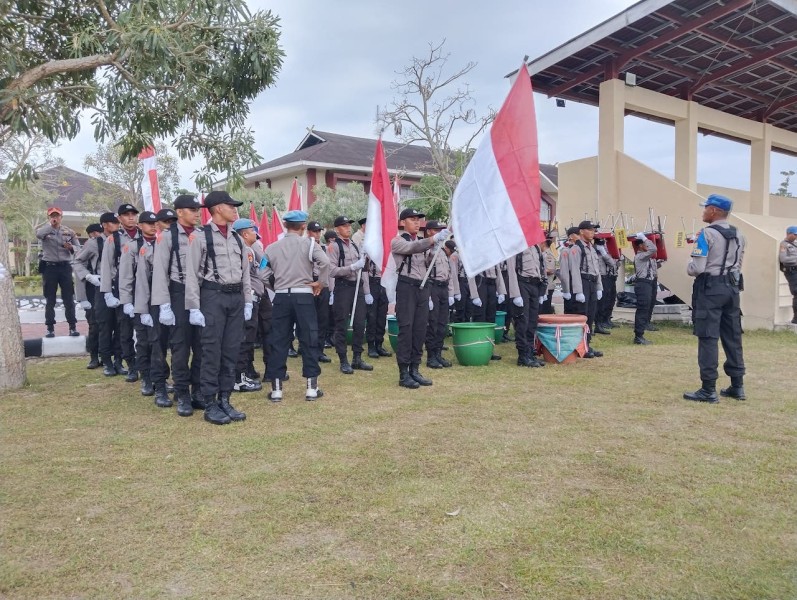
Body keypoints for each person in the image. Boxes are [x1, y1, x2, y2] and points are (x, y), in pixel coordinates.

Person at [185, 190, 251, 425]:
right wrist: (193, 307)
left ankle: (225, 399)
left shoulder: (237, 238)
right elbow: (192, 275)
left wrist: (248, 301)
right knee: (211, 352)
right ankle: (210, 403)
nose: (234, 209)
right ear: (216, 209)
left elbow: (245, 274)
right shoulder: (200, 237)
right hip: (212, 296)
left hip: (235, 299)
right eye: (230, 205)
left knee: (231, 350)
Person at [683, 194, 746, 403]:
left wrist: (688, 265)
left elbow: (698, 268)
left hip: (710, 288)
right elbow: (739, 264)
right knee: (732, 336)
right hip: (732, 287)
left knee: (708, 336)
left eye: (706, 208)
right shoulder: (739, 234)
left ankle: (708, 388)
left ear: (714, 211)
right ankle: (737, 386)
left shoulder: (707, 234)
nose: (703, 211)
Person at [261, 210, 330, 401]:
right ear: (303, 226)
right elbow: (325, 262)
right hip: (304, 296)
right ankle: (311, 388)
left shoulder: (271, 247)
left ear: (285, 225)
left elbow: (262, 274)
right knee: (309, 339)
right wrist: (320, 283)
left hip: (282, 298)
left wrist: (277, 287)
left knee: (279, 341)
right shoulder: (310, 244)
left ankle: (276, 390)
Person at [152, 195, 204, 417]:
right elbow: (160, 273)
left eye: (197, 209)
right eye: (191, 209)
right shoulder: (167, 236)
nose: (196, 213)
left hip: (203, 293)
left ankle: (199, 389)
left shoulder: (202, 235)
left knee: (202, 345)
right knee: (181, 346)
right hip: (178, 292)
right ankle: (182, 392)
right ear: (179, 212)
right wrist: (164, 304)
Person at [391, 208, 449, 388]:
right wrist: (432, 240)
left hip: (423, 287)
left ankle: (415, 369)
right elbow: (411, 248)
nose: (417, 223)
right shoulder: (398, 241)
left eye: (419, 220)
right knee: (406, 330)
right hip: (406, 287)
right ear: (403, 222)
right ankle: (403, 373)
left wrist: (436, 248)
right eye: (412, 219)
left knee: (420, 330)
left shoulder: (424, 243)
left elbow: (427, 262)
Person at [128, 211, 172, 406]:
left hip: (173, 300)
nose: (154, 226)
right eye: (149, 223)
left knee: (173, 345)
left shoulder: (171, 244)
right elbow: (136, 280)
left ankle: (165, 378)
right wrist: (137, 307)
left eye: (156, 223)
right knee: (151, 344)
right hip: (149, 301)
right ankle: (150, 379)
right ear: (140, 225)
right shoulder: (142, 249)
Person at [99, 203, 141, 380]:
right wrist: (107, 292)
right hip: (122, 288)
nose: (131, 217)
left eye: (133, 214)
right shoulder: (113, 239)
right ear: (120, 218)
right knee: (125, 330)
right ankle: (131, 364)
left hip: (143, 287)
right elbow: (106, 267)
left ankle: (145, 365)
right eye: (126, 215)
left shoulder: (146, 234)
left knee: (146, 331)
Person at [327, 215, 372, 374]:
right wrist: (352, 267)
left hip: (357, 288)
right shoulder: (333, 247)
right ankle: (343, 360)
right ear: (337, 229)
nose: (348, 228)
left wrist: (366, 291)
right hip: (343, 287)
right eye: (344, 226)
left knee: (360, 323)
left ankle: (357, 358)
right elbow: (332, 271)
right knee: (341, 325)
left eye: (349, 225)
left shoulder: (354, 244)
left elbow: (363, 270)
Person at [230, 218, 264, 393]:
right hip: (247, 299)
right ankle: (238, 379)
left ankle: (242, 374)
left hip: (250, 298)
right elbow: (247, 277)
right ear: (244, 234)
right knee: (244, 340)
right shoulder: (245, 250)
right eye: (252, 231)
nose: (255, 234)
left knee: (247, 339)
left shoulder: (247, 249)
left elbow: (260, 267)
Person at [36, 206, 80, 337]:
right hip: (50, 267)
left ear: (61, 217)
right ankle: (50, 328)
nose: (55, 218)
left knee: (68, 299)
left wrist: (71, 247)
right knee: (50, 299)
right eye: (52, 216)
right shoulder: (44, 230)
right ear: (49, 217)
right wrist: (51, 226)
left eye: (57, 216)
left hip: (65, 267)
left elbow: (78, 248)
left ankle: (72, 327)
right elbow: (38, 235)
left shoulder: (69, 232)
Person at [423, 221, 458, 369]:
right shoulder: (426, 250)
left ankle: (438, 353)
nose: (439, 232)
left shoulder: (443, 251)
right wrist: (428, 296)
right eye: (436, 230)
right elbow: (423, 273)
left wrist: (451, 293)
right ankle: (431, 357)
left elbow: (448, 274)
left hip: (443, 289)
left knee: (443, 324)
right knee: (433, 323)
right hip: (432, 288)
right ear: (429, 232)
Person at [567, 221, 604, 358]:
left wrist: (599, 286)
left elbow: (597, 270)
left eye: (594, 230)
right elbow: (575, 271)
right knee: (581, 315)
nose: (593, 232)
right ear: (581, 231)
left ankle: (586, 344)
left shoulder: (592, 248)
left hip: (592, 283)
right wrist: (578, 291)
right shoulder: (576, 249)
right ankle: (578, 345)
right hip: (583, 282)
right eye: (590, 229)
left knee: (590, 315)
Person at [507, 243, 547, 368]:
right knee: (522, 321)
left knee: (532, 321)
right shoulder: (515, 247)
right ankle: (523, 355)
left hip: (535, 285)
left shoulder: (535, 247)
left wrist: (542, 291)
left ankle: (530, 353)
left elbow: (541, 268)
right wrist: (515, 294)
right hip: (522, 284)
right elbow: (511, 271)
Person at [360, 218, 392, 359]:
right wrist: (367, 291)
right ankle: (371, 345)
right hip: (372, 282)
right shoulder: (366, 246)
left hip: (383, 282)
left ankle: (379, 344)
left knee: (382, 315)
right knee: (372, 317)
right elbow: (364, 271)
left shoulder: (385, 246)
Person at [72, 223, 103, 368]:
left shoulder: (104, 246)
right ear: (91, 234)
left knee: (106, 325)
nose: (98, 235)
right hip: (90, 291)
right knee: (94, 325)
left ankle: (105, 355)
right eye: (96, 233)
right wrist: (82, 299)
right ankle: (94, 357)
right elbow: (79, 276)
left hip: (102, 288)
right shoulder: (88, 247)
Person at [306, 221, 331, 363]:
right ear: (308, 232)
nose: (317, 234)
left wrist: (329, 288)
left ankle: (319, 350)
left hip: (322, 284)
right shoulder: (304, 246)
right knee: (308, 320)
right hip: (309, 284)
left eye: (319, 231)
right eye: (315, 231)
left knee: (322, 319)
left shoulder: (323, 247)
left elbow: (329, 268)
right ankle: (307, 349)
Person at [631, 234, 658, 345]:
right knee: (643, 308)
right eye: (645, 243)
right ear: (640, 245)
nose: (647, 245)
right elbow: (653, 249)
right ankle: (638, 335)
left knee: (647, 307)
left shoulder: (647, 257)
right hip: (643, 284)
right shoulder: (640, 256)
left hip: (649, 283)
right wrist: (645, 238)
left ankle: (641, 331)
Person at [594, 237, 618, 332]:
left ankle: (605, 320)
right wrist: (604, 253)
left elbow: (614, 264)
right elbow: (611, 263)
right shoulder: (595, 253)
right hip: (601, 278)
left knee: (609, 300)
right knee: (600, 302)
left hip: (608, 277)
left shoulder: (604, 252)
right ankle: (599, 323)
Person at [559, 226, 581, 315]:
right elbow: (564, 272)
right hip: (571, 283)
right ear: (571, 236)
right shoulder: (566, 250)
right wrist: (566, 290)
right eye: (578, 234)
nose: (581, 236)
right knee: (571, 310)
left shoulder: (580, 249)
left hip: (579, 282)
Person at [779, 225, 797, 324]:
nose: (796, 237)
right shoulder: (784, 245)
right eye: (794, 235)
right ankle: (796, 318)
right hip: (791, 271)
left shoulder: (795, 244)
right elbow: (783, 259)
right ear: (789, 233)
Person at [540, 237, 557, 315]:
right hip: (543, 285)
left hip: (548, 285)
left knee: (545, 308)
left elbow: (550, 270)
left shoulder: (548, 255)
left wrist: (538, 271)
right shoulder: (541, 253)